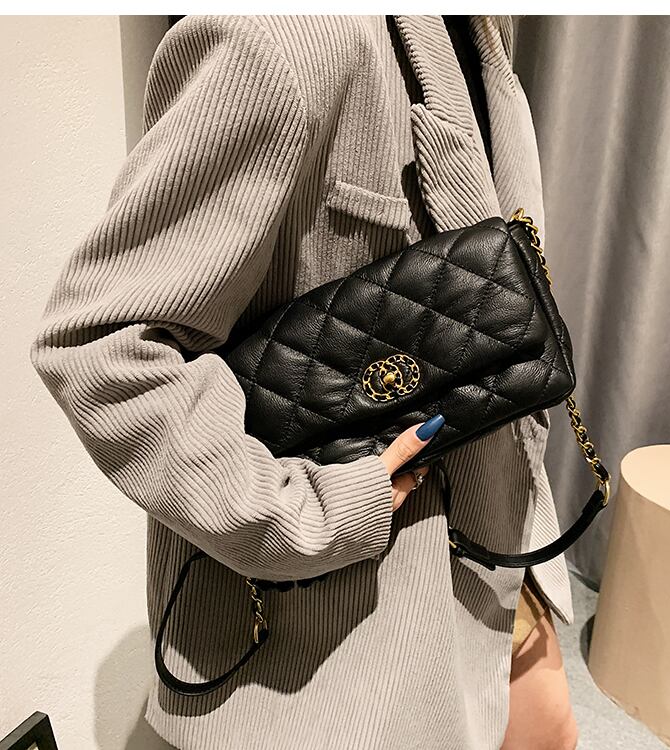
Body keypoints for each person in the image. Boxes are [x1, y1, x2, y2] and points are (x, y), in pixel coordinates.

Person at [29, 15, 577, 750]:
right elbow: (101, 348)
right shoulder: (278, 41)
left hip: (493, 551)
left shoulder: (479, 28)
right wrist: (315, 511)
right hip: (347, 630)